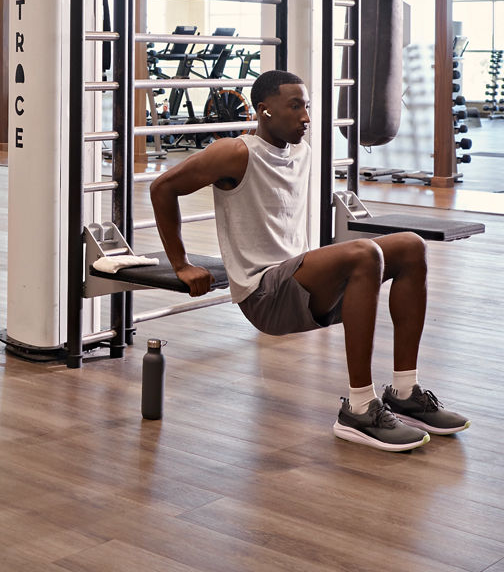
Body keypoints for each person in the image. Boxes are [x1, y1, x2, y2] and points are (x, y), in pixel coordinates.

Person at [150, 69, 470, 452]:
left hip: (302, 284)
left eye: (307, 106)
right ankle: (360, 408)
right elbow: (162, 188)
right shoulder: (234, 153)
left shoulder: (302, 151)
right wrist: (181, 263)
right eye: (295, 106)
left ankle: (404, 392)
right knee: (365, 252)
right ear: (264, 110)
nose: (305, 116)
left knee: (411, 247)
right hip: (265, 294)